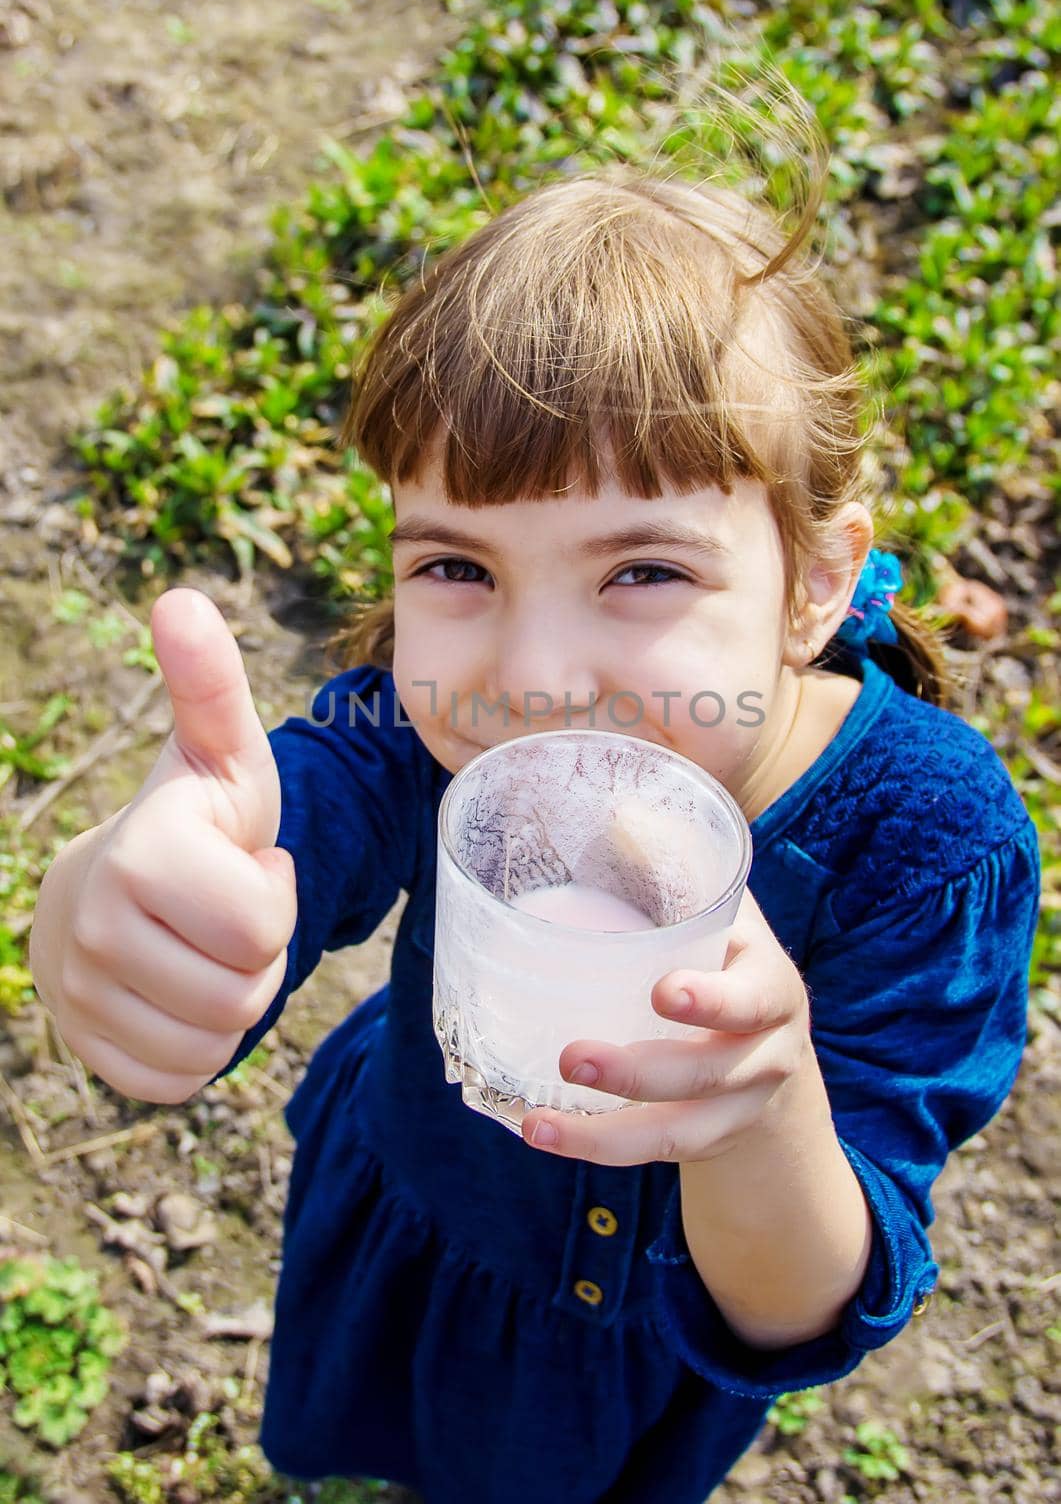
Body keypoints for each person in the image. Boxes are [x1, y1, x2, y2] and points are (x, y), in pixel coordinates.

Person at [29, 118, 1041, 1504]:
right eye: (458, 565)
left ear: (812, 580)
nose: (533, 678)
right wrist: (114, 903)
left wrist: (754, 1115)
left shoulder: (924, 844)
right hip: (420, 1219)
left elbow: (807, 1301)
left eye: (640, 573)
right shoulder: (419, 721)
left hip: (634, 1348)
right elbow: (267, 827)